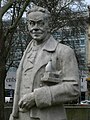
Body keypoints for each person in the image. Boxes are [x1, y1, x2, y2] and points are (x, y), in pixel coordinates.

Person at [9, 6, 80, 120]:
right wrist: (14, 115)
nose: (35, 28)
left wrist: (37, 97)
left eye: (40, 23)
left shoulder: (64, 51)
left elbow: (73, 88)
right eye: (32, 23)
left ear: (49, 25)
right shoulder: (26, 53)